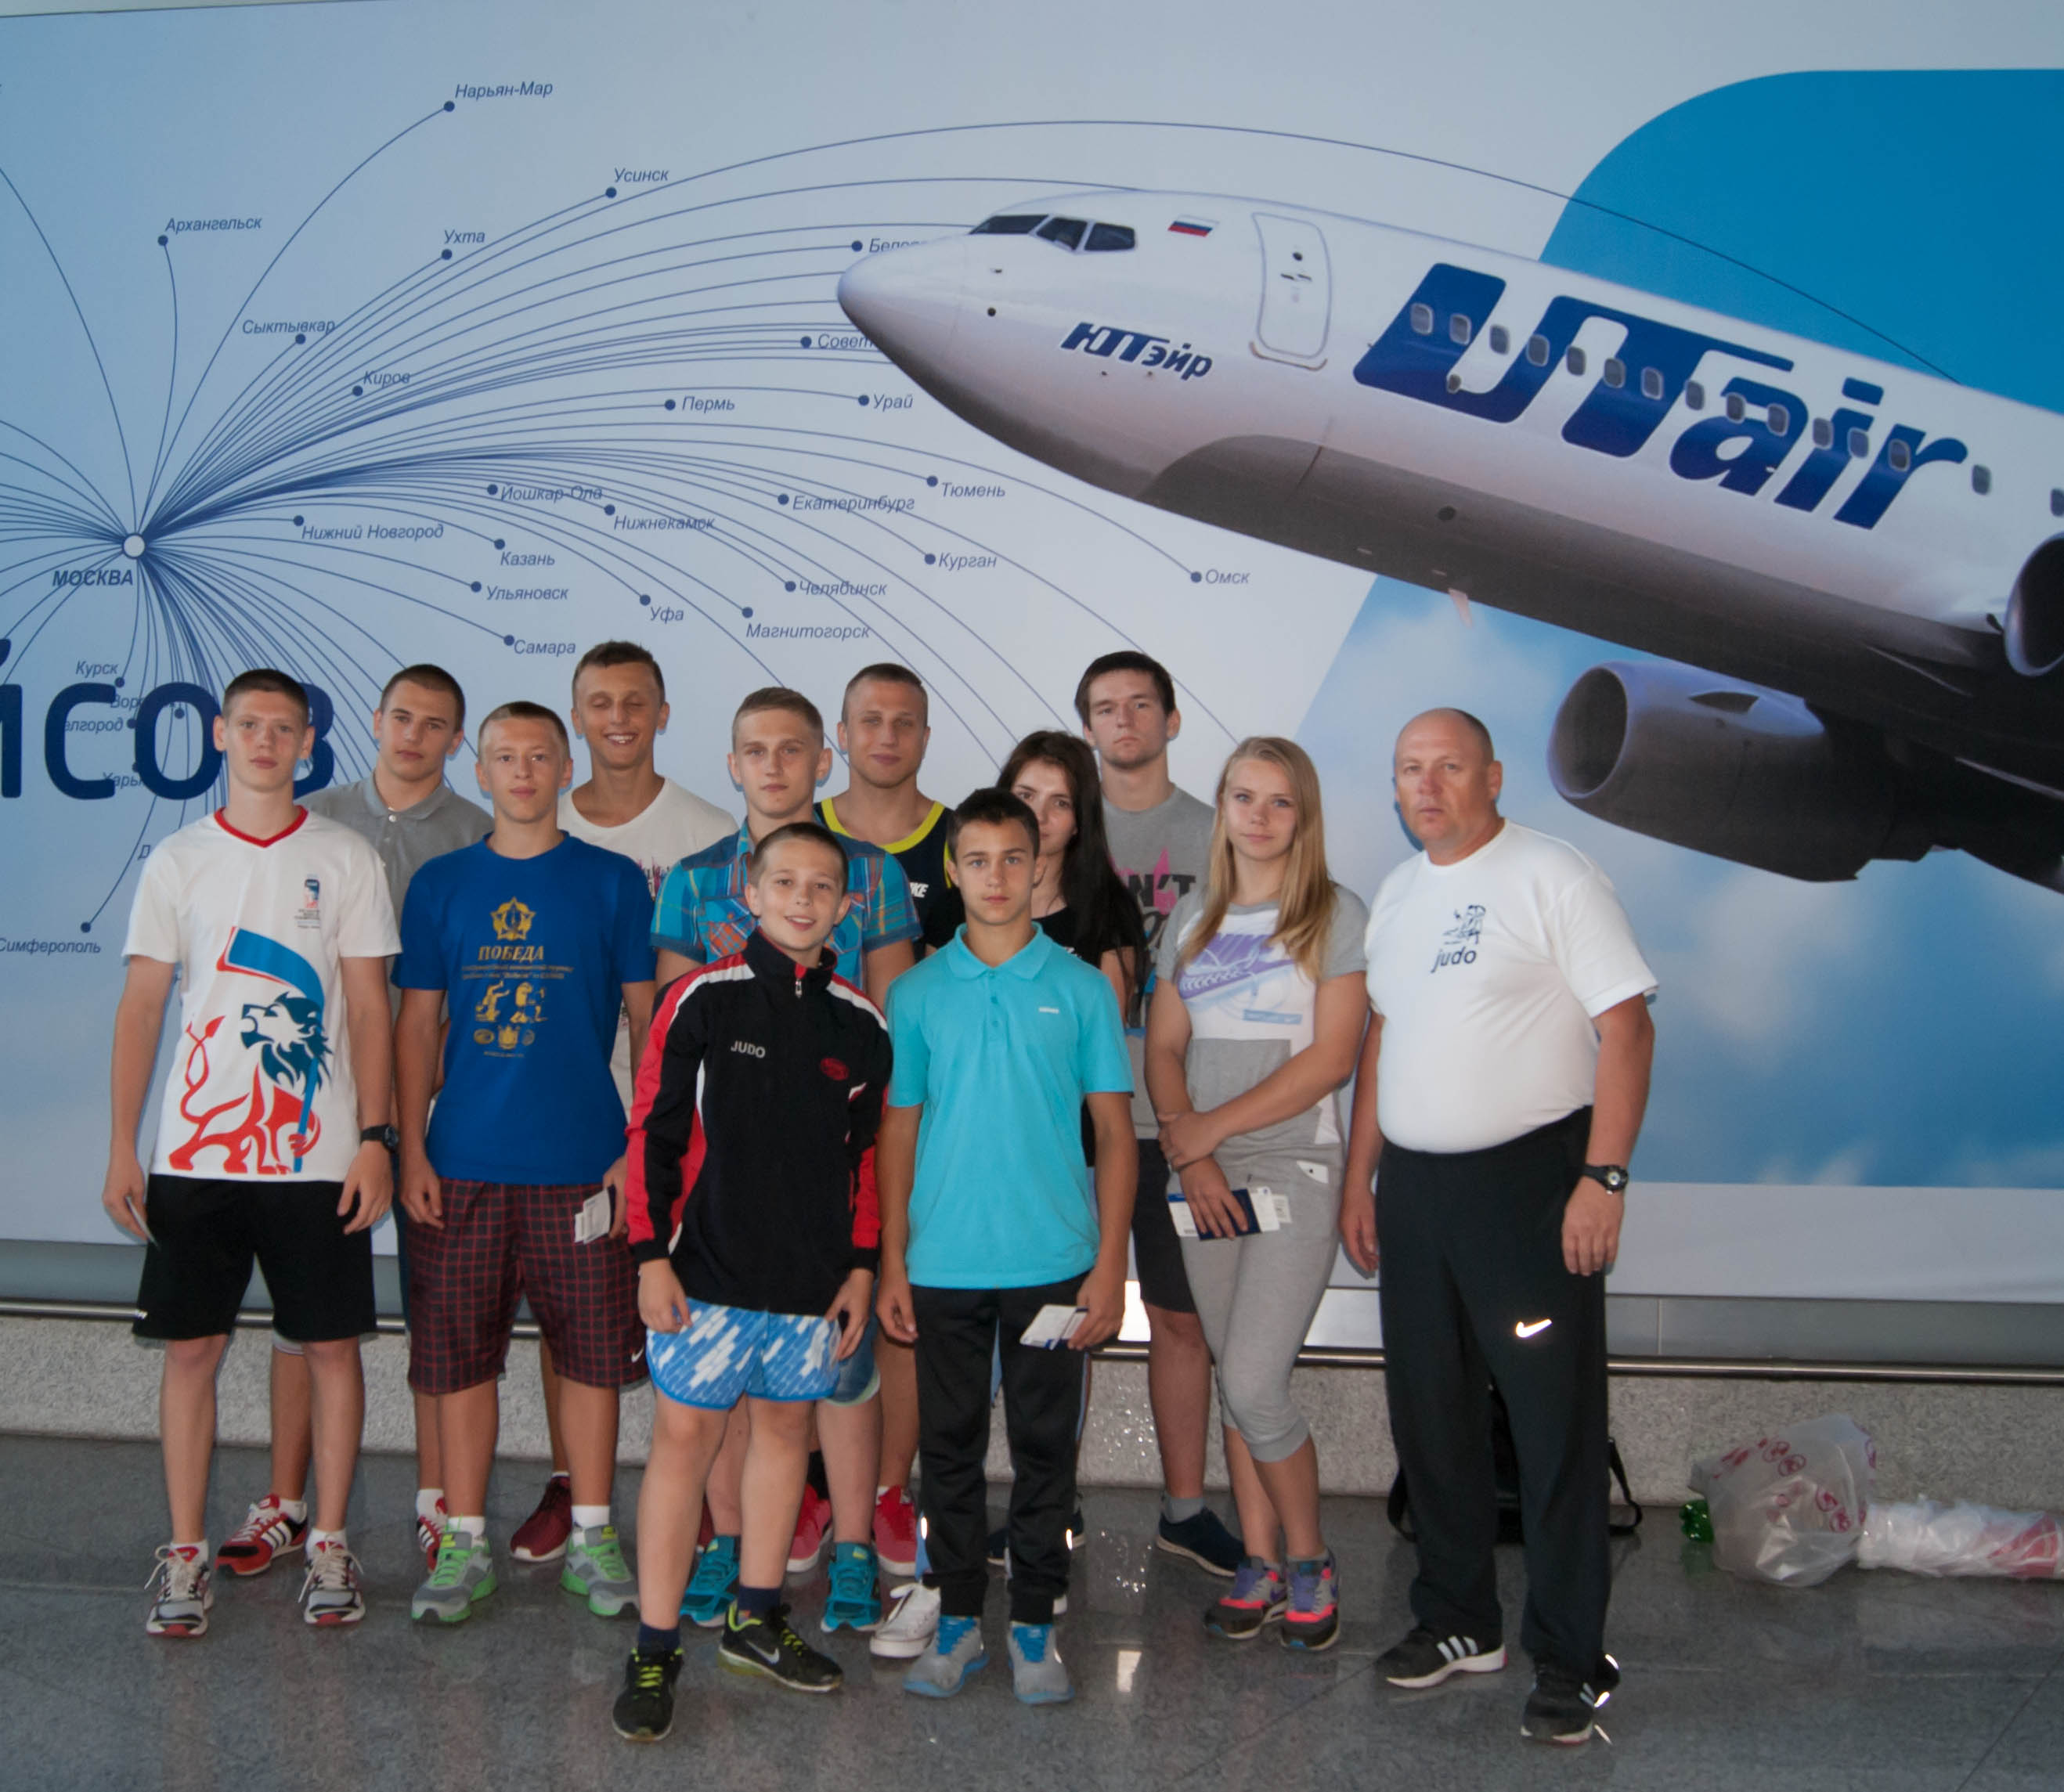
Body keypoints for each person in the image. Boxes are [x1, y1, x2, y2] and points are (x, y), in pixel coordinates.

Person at [1342, 708, 1657, 1746]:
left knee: (1550, 1428)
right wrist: (1361, 1177)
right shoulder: (1398, 892)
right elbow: (1383, 1038)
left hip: (1529, 1188)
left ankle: (1571, 1658)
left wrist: (1602, 1178)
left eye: (1449, 767)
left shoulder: (1551, 875)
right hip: (1415, 1192)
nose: (1426, 786)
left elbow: (1627, 1027)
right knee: (1430, 1416)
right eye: (1410, 769)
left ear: (1493, 777)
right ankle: (1457, 1619)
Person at [103, 668, 399, 1635]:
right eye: (249, 726)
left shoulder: (344, 856)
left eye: (283, 728)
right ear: (220, 737)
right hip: (197, 1160)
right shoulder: (177, 859)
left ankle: (330, 1542)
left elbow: (368, 1008)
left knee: (330, 1348)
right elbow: (142, 1006)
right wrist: (123, 1146)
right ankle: (185, 1553)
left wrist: (376, 1139)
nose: (266, 741)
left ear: (309, 743)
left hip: (318, 1160)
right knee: (191, 1350)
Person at [871, 731, 1149, 1664]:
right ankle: (955, 1614)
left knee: (1043, 1451)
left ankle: (1033, 1620)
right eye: (978, 860)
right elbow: (898, 1131)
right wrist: (893, 1262)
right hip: (942, 1263)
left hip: (1051, 1263)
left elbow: (1115, 1136)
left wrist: (1108, 1268)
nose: (996, 878)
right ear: (952, 871)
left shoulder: (1080, 989)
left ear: (1040, 868)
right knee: (946, 1449)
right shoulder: (916, 994)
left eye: (1013, 860)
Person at [612, 822, 892, 1741]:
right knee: (683, 1445)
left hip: (808, 1288)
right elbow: (651, 1133)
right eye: (785, 883)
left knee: (784, 1434)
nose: (802, 900)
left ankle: (756, 1618)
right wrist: (649, 1255)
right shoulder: (700, 999)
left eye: (822, 887)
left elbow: (864, 1165)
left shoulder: (861, 1023)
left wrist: (860, 1268)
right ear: (750, 894)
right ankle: (655, 1647)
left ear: (845, 907)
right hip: (701, 1278)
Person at [212, 665, 489, 1585]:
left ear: (457, 741)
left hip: (438, 1111)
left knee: (438, 1312)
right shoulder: (311, 818)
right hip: (319, 1111)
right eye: (401, 716)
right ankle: (286, 1501)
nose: (414, 734)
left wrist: (418, 1103)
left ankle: (438, 1502)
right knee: (306, 1320)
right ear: (373, 721)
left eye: (435, 724)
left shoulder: (478, 835)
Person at [654, 687, 918, 1633]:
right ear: (732, 765)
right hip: (725, 1195)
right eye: (755, 751)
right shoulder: (692, 879)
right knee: (727, 1385)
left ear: (821, 761)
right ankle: (729, 1546)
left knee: (844, 1374)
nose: (773, 766)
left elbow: (891, 1030)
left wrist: (877, 1214)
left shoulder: (872, 872)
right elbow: (667, 1048)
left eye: (791, 749)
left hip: (826, 1181)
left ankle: (852, 1546)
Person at [393, 701, 656, 1624]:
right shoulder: (441, 884)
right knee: (460, 1359)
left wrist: (636, 1151)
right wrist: (409, 1147)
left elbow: (646, 1020)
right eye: (504, 756)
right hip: (461, 1163)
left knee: (590, 1360)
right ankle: (463, 1541)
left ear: (564, 767)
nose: (521, 771)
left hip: (583, 1163)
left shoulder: (612, 882)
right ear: (480, 770)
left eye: (539, 756)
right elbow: (415, 1025)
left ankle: (592, 1534)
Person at [503, 640, 733, 1568]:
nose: (618, 719)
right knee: (567, 1316)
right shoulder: (535, 820)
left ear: (663, 714)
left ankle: (702, 1486)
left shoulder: (709, 832)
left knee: (695, 1298)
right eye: (599, 703)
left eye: (635, 702)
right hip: (562, 1113)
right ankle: (571, 1484)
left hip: (682, 1113)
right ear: (576, 718)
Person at [1144, 738, 1368, 1650]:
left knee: (1250, 1380)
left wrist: (1208, 1131)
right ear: (1223, 806)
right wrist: (1188, 1149)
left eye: (1280, 801)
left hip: (1290, 1169)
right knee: (1236, 1373)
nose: (1260, 817)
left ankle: (1310, 1561)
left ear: (1302, 814)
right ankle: (1260, 1563)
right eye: (1244, 797)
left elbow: (1331, 1059)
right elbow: (1163, 1047)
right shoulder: (1191, 918)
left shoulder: (1333, 914)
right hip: (1201, 1174)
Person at [1076, 651, 1241, 1575]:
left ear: (1171, 720)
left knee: (1179, 1319)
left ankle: (1184, 1508)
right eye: (1105, 708)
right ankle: (1048, 1501)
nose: (1124, 721)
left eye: (1141, 705)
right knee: (1061, 1317)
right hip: (1073, 1123)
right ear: (1087, 728)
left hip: (1178, 1125)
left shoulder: (1220, 837)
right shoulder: (1059, 829)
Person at [818, 662, 952, 1581]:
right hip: (804, 1124)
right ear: (841, 735)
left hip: (914, 1120)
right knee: (803, 1307)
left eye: (904, 722)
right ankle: (811, 1490)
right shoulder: (801, 834)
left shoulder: (958, 842)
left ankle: (891, 1490)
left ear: (926, 737)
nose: (887, 737)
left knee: (899, 1305)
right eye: (869, 720)